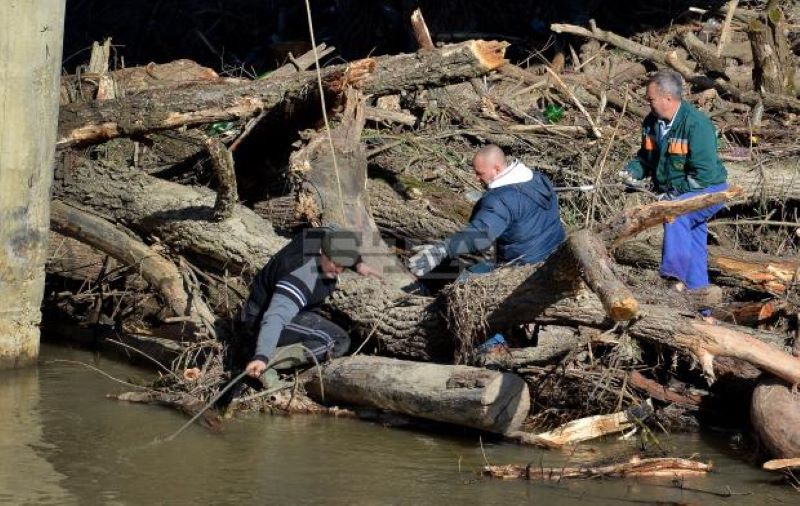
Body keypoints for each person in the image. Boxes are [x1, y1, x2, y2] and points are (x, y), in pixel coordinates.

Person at [620, 70, 728, 304]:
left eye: (651, 99)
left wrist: (673, 195)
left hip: (709, 190)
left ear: (668, 98)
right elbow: (645, 159)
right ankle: (701, 305)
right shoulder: (651, 123)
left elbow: (705, 175)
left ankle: (673, 279)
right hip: (680, 194)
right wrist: (632, 172)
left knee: (675, 216)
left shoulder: (697, 124)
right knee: (694, 245)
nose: (647, 103)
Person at [407, 144, 566, 278]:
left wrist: (442, 249)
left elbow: (480, 236)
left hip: (525, 266)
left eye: (479, 173)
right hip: (557, 252)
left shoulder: (500, 200)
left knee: (464, 283)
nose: (476, 178)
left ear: (496, 169)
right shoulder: (539, 178)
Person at [240, 227, 377, 380]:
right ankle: (268, 363)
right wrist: (262, 355)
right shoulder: (301, 276)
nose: (339, 270)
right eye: (336, 263)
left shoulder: (320, 237)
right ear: (321, 251)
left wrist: (358, 263)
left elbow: (334, 230)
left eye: (344, 265)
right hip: (259, 323)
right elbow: (275, 317)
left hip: (292, 309)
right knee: (338, 340)